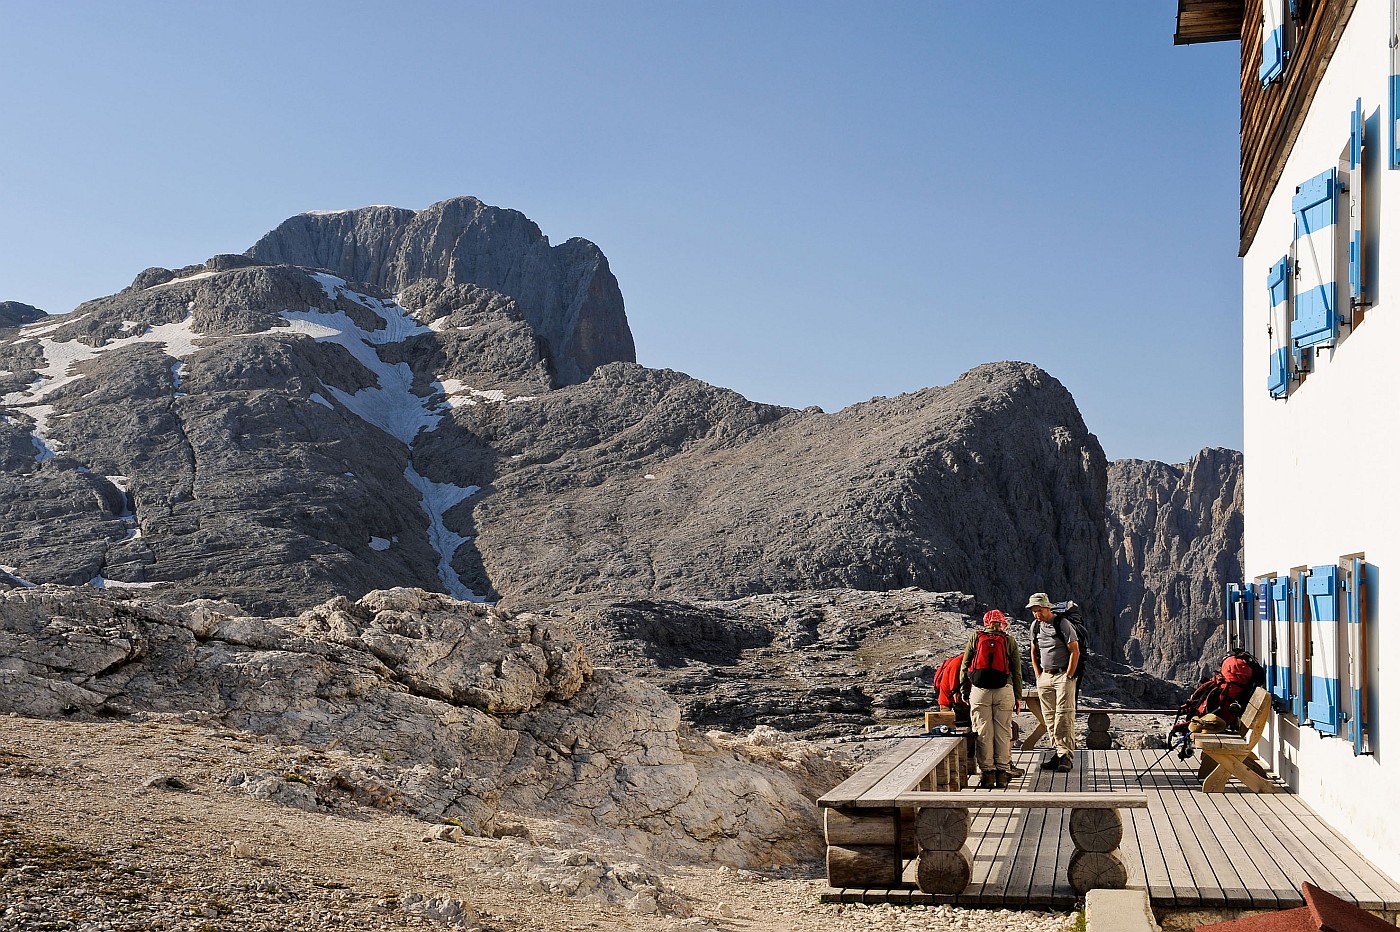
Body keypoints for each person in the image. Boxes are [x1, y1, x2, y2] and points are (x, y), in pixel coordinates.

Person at [960, 609, 1024, 788]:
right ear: (1002, 623)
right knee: (1003, 732)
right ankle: (1002, 774)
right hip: (1004, 689)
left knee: (983, 731)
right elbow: (1017, 672)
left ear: (986, 623)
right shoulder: (1009, 640)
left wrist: (965, 691)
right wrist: (1017, 697)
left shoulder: (976, 637)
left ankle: (987, 775)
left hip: (980, 691)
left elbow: (965, 666)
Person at [1027, 592, 1080, 772]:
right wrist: (1038, 675)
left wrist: (1069, 675)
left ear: (1048, 607)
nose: (1037, 614)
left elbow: (1075, 651)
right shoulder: (1035, 626)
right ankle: (1058, 753)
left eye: (1039, 610)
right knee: (1049, 717)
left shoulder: (1062, 624)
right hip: (1045, 677)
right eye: (1034, 611)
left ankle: (1066, 757)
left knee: (1063, 716)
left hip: (1062, 676)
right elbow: (1033, 651)